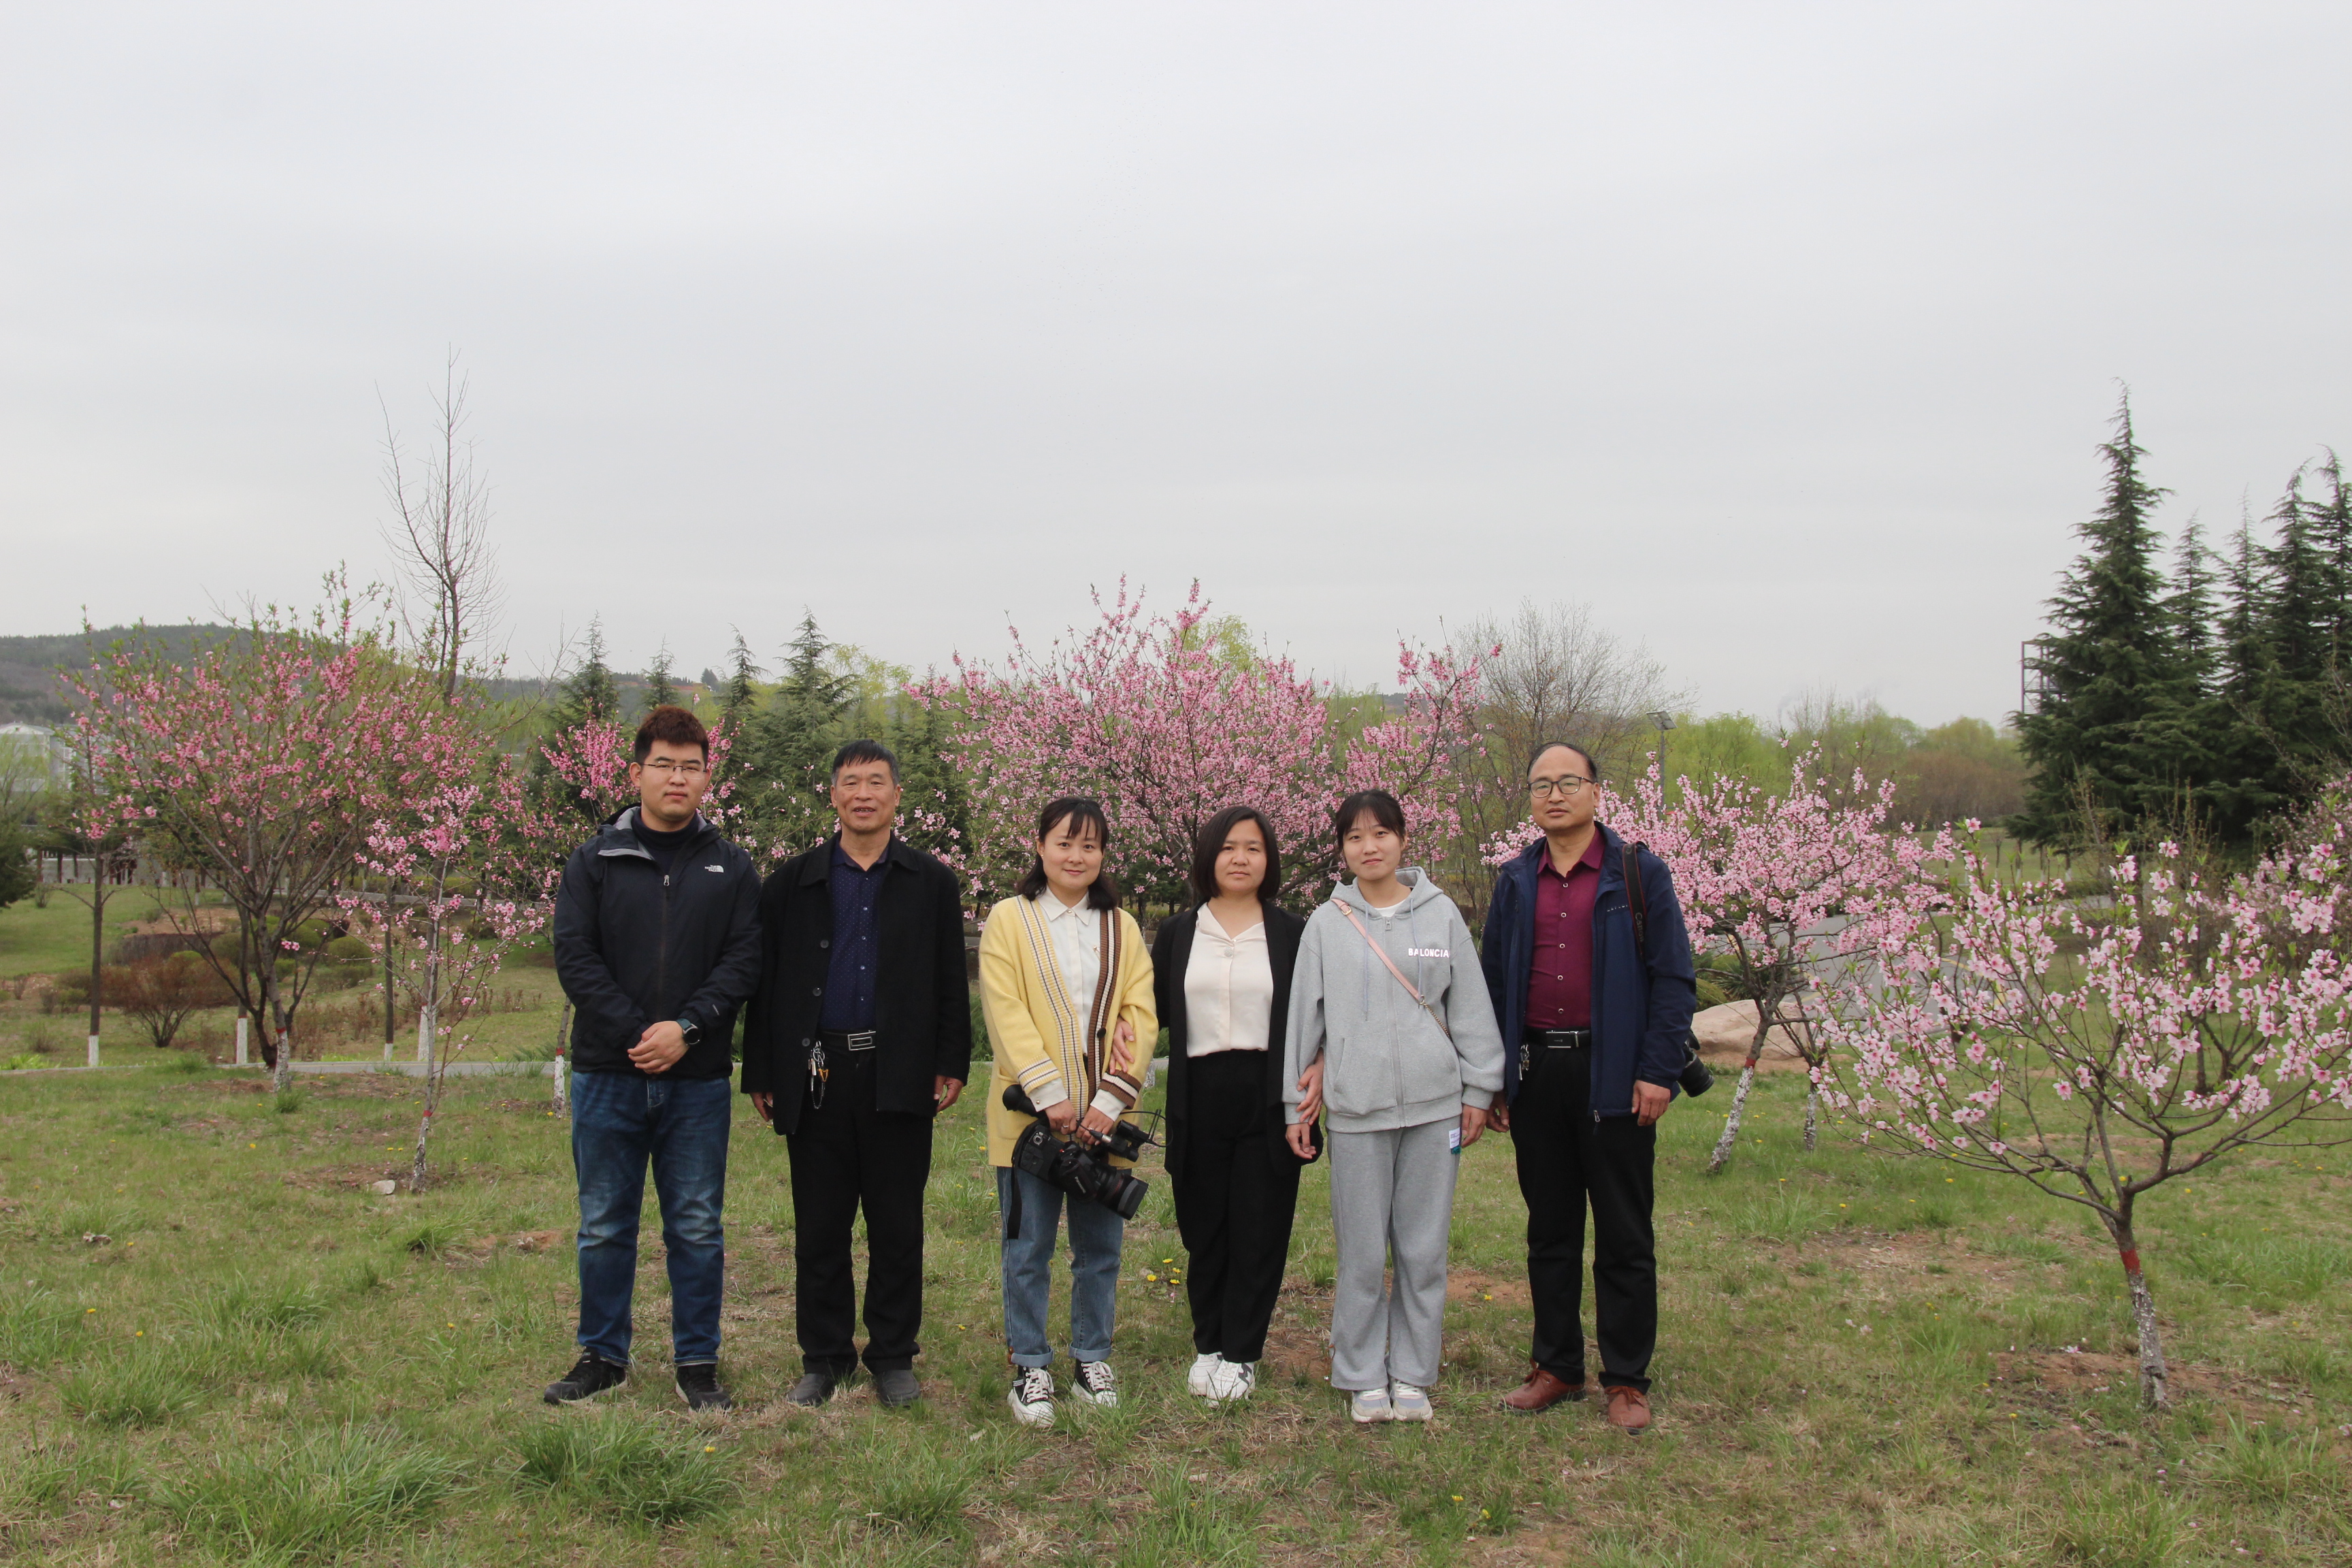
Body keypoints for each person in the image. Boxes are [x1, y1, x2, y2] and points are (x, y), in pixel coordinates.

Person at [741, 739, 972, 1409]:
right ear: (833, 795)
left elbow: (951, 983)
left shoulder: (931, 881)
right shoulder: (791, 883)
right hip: (817, 1073)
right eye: (851, 782)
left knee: (898, 1223)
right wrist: (765, 1069)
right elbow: (768, 986)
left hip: (898, 1070)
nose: (864, 793)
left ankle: (893, 1355)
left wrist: (950, 1062)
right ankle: (825, 1356)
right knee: (819, 1224)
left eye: (877, 782)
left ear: (897, 795)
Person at [544, 704, 762, 1412]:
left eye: (691, 766)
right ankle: (602, 1355)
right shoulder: (594, 860)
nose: (678, 777)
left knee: (697, 1224)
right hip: (608, 1073)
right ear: (636, 773)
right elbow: (575, 958)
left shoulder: (730, 866)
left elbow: (743, 961)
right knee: (605, 1221)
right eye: (664, 764)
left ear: (708, 777)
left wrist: (688, 1030)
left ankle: (697, 1362)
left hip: (696, 1081)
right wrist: (642, 1032)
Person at [1482, 741, 1696, 1436]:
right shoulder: (1516, 881)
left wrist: (1658, 1071)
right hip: (1540, 1072)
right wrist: (1495, 1081)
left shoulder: (1639, 875)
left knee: (1625, 1233)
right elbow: (1492, 986)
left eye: (1568, 782)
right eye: (1541, 784)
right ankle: (1557, 1365)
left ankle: (1627, 1378)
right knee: (1550, 1229)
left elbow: (1674, 981)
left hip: (1618, 1075)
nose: (1554, 795)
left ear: (1597, 791)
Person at [1284, 789, 1505, 1424]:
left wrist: (1479, 1090)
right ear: (1343, 849)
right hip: (1357, 1109)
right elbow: (1306, 1018)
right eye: (1355, 837)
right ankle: (1359, 1372)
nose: (1369, 846)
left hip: (1437, 1110)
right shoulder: (1327, 923)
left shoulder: (1440, 920)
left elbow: (1467, 1007)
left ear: (1403, 839)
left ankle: (1412, 1372)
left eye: (1380, 833)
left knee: (1422, 1249)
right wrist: (1294, 1107)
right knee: (1360, 1250)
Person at [979, 796, 1156, 1429]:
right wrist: (1050, 1095)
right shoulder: (1009, 919)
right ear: (1040, 846)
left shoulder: (1123, 927)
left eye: (1089, 846)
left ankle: (1091, 1357)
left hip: (1101, 1120)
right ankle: (1030, 1363)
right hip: (1030, 1119)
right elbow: (1005, 1010)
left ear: (1103, 854)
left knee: (1099, 1247)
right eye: (1064, 843)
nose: (1075, 856)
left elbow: (1139, 1013)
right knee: (1027, 1247)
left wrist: (1110, 1101)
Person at [1152, 806, 1312, 1404]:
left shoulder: (1294, 933)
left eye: (1253, 848)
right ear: (1209, 858)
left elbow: (1314, 1016)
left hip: (1267, 1093)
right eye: (1228, 848)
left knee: (1259, 1226)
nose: (1240, 858)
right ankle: (1209, 1345)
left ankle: (1242, 1352)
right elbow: (1152, 1016)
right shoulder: (1178, 932)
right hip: (1198, 1092)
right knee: (1204, 1227)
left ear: (1268, 860)